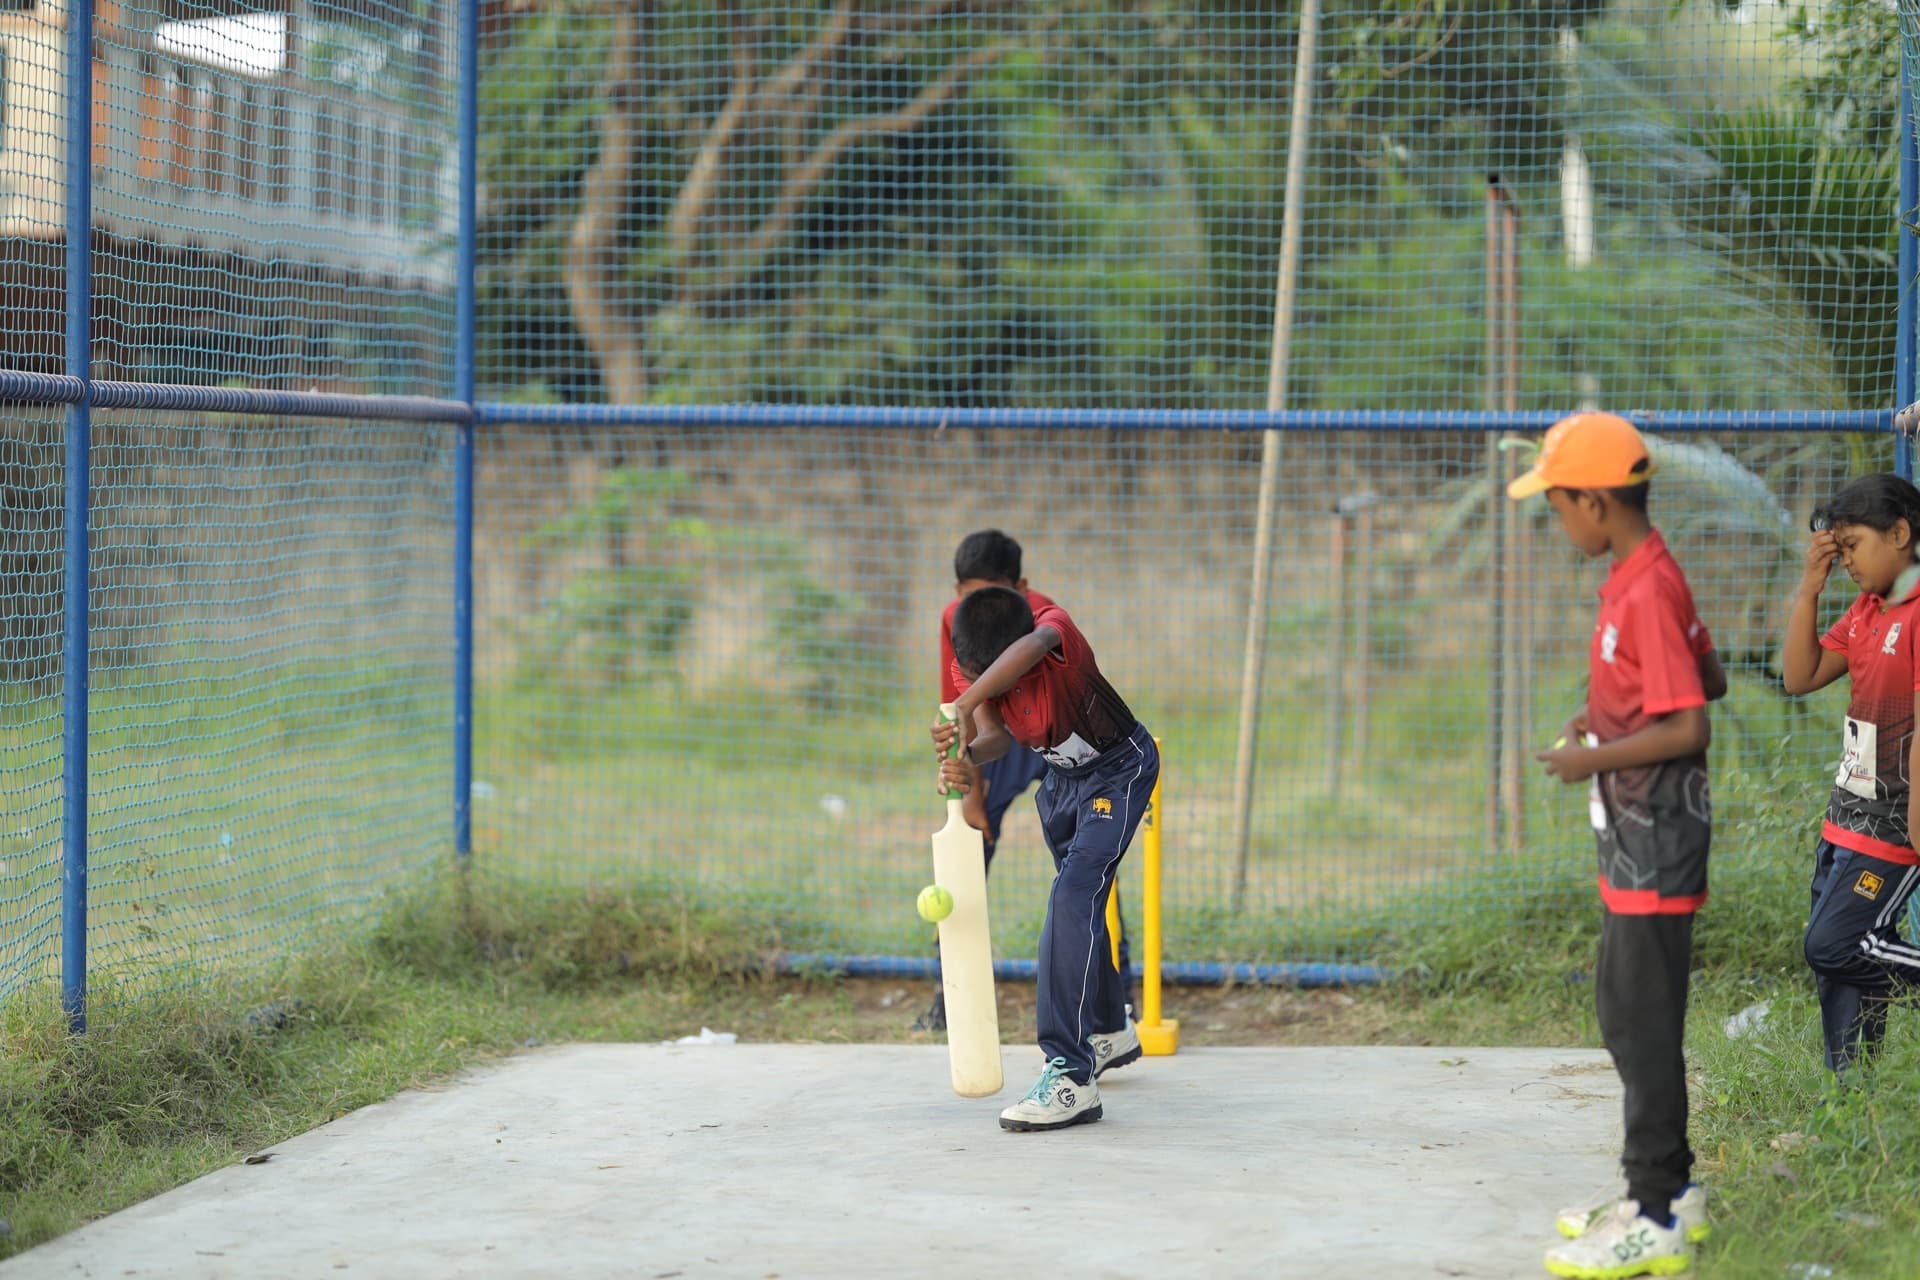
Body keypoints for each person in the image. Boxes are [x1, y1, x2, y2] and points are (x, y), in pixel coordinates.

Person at [1510, 412, 1725, 1278]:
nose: (1557, 523)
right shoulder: (1645, 572)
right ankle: (1667, 1191)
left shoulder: (1643, 588)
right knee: (1626, 1008)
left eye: (1558, 506)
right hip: (1639, 835)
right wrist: (1602, 719)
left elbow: (1687, 722)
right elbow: (1698, 671)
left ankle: (1657, 1213)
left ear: (1594, 502)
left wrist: (1591, 755)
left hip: (1656, 835)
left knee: (1640, 1021)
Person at [934, 585, 1156, 1131]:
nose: (964, 683)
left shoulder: (1053, 633)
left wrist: (962, 704)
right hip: (1063, 782)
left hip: (1118, 771)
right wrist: (966, 756)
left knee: (1072, 897)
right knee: (1082, 905)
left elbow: (1035, 643)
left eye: (972, 675)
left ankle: (1070, 1076)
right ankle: (1109, 1028)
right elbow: (995, 739)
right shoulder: (977, 674)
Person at [918, 531, 1131, 1032]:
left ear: (1022, 587)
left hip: (1063, 740)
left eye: (994, 590)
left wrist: (972, 708)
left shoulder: (1040, 616)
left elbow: (1033, 654)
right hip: (1002, 736)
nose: (979, 604)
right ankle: (949, 992)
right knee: (971, 842)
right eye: (969, 594)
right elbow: (963, 711)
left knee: (1089, 867)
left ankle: (1118, 998)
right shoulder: (956, 620)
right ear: (956, 592)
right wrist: (969, 783)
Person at [1779, 472, 1920, 1076]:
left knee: (1833, 945)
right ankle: (1851, 1106)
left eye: (1854, 545)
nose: (1849, 562)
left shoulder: (1916, 614)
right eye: (1838, 550)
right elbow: (1799, 677)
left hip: (1893, 826)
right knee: (1839, 964)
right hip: (1845, 818)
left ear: (1900, 532)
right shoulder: (1866, 611)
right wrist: (1811, 589)